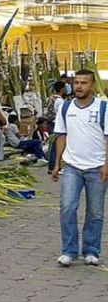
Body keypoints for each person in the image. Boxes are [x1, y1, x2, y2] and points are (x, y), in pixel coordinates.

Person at [51, 69, 108, 267]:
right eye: (76, 82)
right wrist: (57, 164)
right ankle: (69, 250)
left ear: (92, 85)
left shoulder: (103, 107)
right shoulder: (66, 108)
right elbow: (61, 136)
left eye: (84, 83)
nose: (79, 86)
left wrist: (106, 166)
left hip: (97, 168)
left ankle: (91, 250)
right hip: (72, 167)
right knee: (67, 207)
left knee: (95, 212)